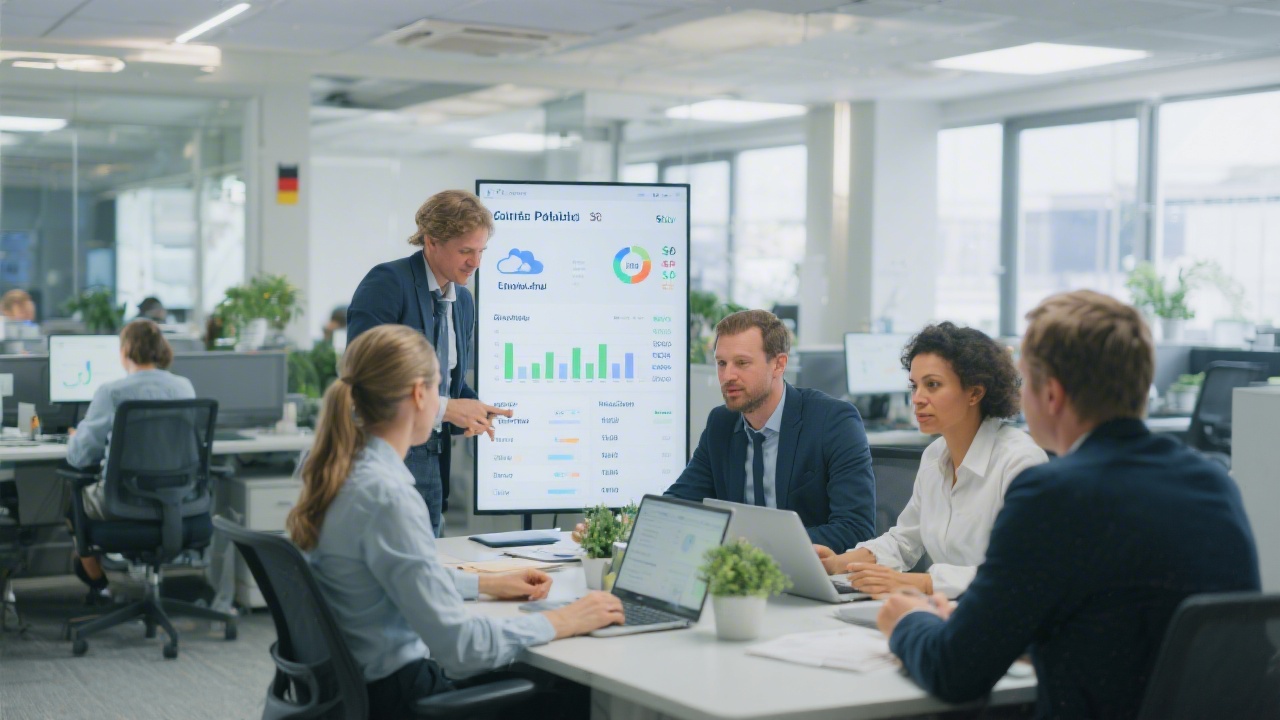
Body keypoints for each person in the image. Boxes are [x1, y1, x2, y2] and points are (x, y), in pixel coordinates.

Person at [877, 290, 1260, 718]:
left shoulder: (1052, 494)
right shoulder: (1212, 484)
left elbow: (956, 671)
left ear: (1052, 395)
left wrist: (909, 621)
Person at [287, 324, 622, 719]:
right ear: (418, 394)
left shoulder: (340, 471)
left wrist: (483, 583)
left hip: (356, 691)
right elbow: (461, 648)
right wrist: (563, 619)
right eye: (440, 388)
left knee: (529, 670)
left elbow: (381, 575)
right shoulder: (387, 496)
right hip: (399, 700)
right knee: (571, 690)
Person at [813, 323, 1047, 598]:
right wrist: (839, 563)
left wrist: (921, 583)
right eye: (914, 386)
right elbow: (905, 540)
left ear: (975, 392)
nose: (918, 399)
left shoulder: (1020, 462)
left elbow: (1020, 572)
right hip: (947, 611)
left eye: (933, 385)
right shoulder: (935, 455)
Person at [347, 190, 512, 536]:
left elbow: (449, 384)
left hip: (435, 455)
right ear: (431, 241)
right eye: (465, 251)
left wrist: (473, 406)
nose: (475, 263)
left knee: (429, 553)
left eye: (481, 251)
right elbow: (365, 378)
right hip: (388, 454)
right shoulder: (388, 284)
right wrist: (449, 408)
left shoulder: (462, 302)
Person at [663, 309, 876, 551]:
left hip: (811, 577)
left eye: (741, 363)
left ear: (778, 364)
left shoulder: (833, 421)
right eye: (722, 363)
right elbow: (675, 507)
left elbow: (855, 529)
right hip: (740, 579)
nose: (727, 375)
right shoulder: (720, 424)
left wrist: (753, 548)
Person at [65, 319, 195, 605]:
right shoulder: (184, 388)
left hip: (123, 502)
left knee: (70, 500)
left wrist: (75, 435)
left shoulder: (113, 392)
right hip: (174, 501)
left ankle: (100, 586)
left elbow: (79, 456)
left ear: (125, 350)